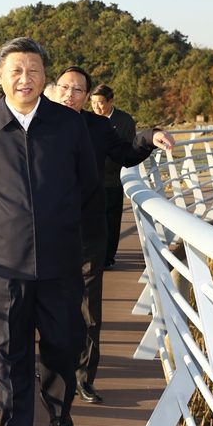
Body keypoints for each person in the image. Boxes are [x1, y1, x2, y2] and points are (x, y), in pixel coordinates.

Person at [0, 38, 98, 426]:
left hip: (60, 258)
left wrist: (57, 220)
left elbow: (88, 182)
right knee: (9, 351)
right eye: (16, 70)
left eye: (34, 70)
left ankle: (59, 408)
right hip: (5, 262)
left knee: (62, 344)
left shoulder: (68, 123)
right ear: (0, 76)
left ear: (45, 77)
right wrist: (5, 223)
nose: (25, 78)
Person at [51, 67, 175, 405]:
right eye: (65, 87)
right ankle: (52, 367)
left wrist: (150, 137)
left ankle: (84, 377)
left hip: (88, 230)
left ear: (87, 95)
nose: (70, 94)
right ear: (55, 89)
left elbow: (125, 153)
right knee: (50, 305)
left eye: (78, 89)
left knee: (89, 308)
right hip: (46, 232)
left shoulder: (98, 126)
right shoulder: (37, 125)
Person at [91, 84, 138, 270]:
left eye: (100, 103)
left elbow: (129, 148)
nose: (96, 107)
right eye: (93, 103)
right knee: (92, 221)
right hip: (91, 179)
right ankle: (93, 257)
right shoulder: (89, 120)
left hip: (113, 179)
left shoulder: (124, 120)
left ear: (111, 101)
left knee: (111, 221)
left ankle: (108, 259)